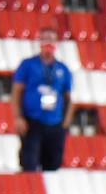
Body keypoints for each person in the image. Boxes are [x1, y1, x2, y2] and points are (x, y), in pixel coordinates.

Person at [12, 27, 72, 172]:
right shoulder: (28, 64)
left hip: (55, 123)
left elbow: (68, 98)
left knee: (52, 165)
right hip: (32, 121)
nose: (48, 43)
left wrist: (65, 123)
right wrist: (18, 117)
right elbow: (16, 92)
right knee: (29, 163)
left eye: (51, 39)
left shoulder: (63, 69)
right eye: (44, 39)